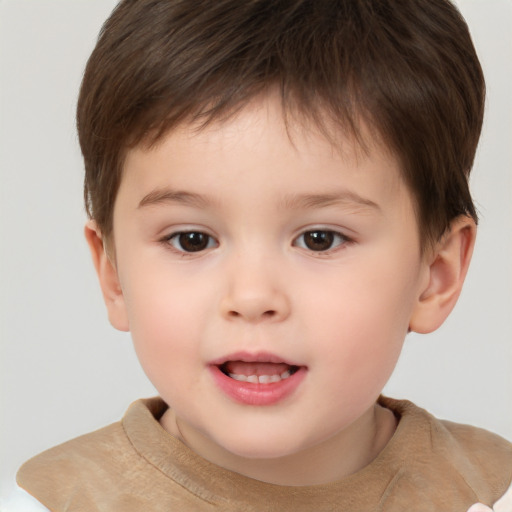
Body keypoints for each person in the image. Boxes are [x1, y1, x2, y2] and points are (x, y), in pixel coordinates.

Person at [5, 0, 512, 510]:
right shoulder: (54, 501)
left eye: (320, 238)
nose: (251, 297)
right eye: (192, 240)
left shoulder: (492, 490)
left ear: (435, 275)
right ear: (113, 274)